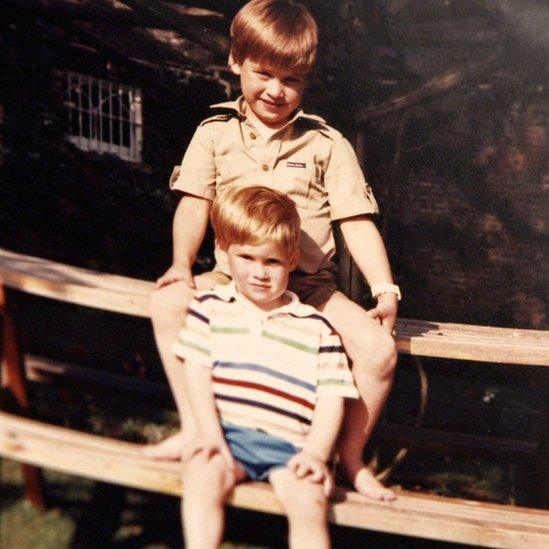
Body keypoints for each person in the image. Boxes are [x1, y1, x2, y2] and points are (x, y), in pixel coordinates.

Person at [145, 0, 399, 501]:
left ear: (307, 80)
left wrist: (385, 290)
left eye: (293, 80)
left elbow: (357, 221)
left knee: (378, 351)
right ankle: (198, 429)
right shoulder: (215, 133)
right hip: (235, 281)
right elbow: (194, 206)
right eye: (264, 73)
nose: (276, 91)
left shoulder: (326, 144)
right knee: (168, 302)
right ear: (237, 61)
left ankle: (347, 459)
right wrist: (180, 266)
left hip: (309, 289)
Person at [177, 185, 358, 548]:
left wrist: (317, 454)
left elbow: (331, 399)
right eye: (247, 258)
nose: (259, 272)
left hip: (291, 447)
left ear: (292, 260)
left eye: (272, 261)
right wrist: (209, 434)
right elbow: (196, 374)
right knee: (200, 479)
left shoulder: (317, 327)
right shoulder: (210, 308)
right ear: (226, 255)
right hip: (228, 436)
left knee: (309, 503)